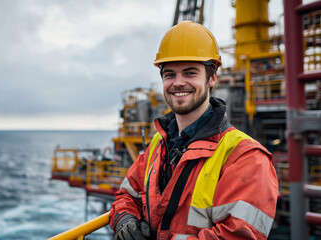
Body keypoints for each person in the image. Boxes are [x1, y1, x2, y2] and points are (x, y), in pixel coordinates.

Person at [109, 21, 278, 240]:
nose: (178, 83)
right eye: (169, 74)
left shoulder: (245, 157)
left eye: (190, 73)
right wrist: (124, 219)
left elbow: (237, 236)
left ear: (212, 78)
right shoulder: (158, 145)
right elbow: (126, 195)